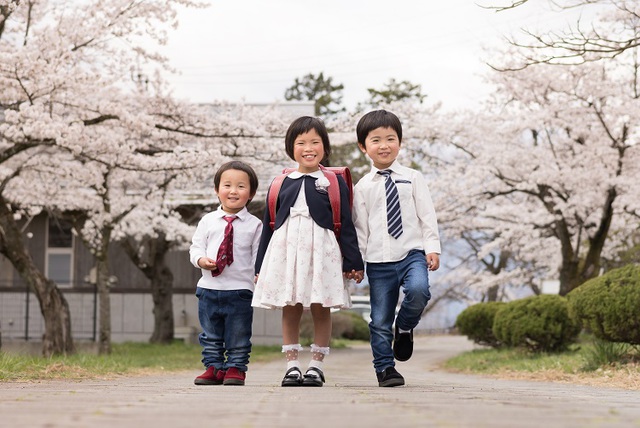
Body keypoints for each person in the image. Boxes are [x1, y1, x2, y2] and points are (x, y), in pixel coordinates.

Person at [253, 116, 365, 387]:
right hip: (287, 250)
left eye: (315, 142)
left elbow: (346, 224)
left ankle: (316, 365)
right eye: (301, 142)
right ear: (291, 147)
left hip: (322, 251)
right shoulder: (280, 183)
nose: (308, 148)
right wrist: (259, 267)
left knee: (320, 306)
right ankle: (292, 365)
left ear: (325, 147)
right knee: (290, 305)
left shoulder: (333, 182)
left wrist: (353, 261)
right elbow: (270, 223)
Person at [352, 109, 441, 388]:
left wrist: (432, 247)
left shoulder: (413, 178)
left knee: (418, 290)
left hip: (411, 252)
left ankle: (404, 327)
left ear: (400, 143)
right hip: (378, 261)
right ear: (363, 147)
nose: (384, 145)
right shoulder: (363, 186)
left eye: (390, 139)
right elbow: (360, 228)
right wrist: (358, 263)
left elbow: (427, 215)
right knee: (379, 319)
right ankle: (385, 369)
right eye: (376, 140)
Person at [189, 160, 262, 386]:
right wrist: (201, 260)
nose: (233, 191)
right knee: (210, 334)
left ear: (251, 193)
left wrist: (258, 276)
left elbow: (257, 257)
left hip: (240, 290)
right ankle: (213, 367)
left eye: (241, 186)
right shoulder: (208, 220)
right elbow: (196, 247)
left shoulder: (255, 225)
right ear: (216, 190)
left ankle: (236, 368)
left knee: (238, 335)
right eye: (227, 185)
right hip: (208, 289)